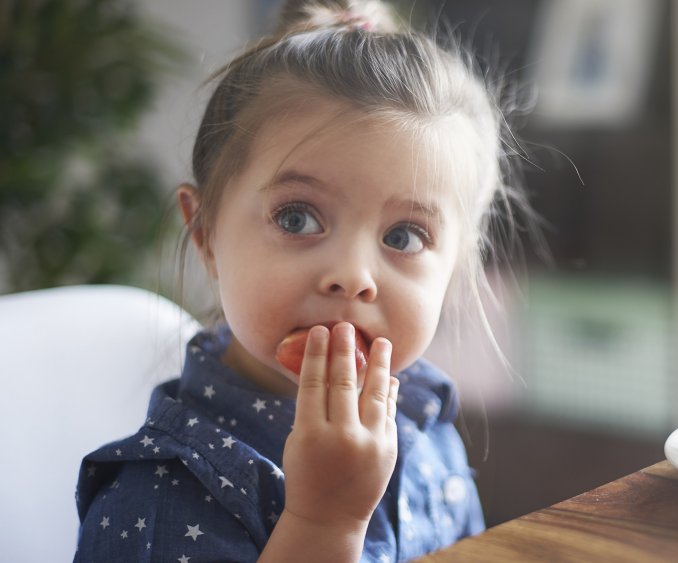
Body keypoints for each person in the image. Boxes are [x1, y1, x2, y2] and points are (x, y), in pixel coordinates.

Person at [74, 1, 536, 561]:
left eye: (405, 236)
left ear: (457, 268)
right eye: (297, 218)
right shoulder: (158, 499)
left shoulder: (424, 419)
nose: (353, 276)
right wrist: (324, 521)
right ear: (206, 234)